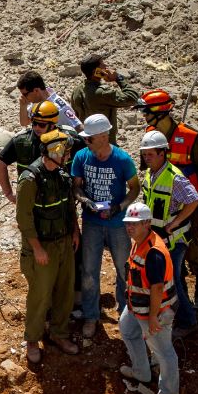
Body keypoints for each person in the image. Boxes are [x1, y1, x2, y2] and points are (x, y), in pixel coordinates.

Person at [138, 89, 198, 311]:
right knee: (170, 247)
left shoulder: (190, 136)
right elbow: (146, 168)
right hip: (164, 204)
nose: (144, 116)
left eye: (146, 112)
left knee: (194, 244)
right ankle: (180, 290)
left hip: (191, 201)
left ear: (160, 112)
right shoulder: (151, 135)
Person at [71, 114, 140, 337]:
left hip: (117, 224)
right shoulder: (81, 156)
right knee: (89, 271)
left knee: (123, 269)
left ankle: (126, 314)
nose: (86, 142)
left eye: (89, 138)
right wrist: (85, 201)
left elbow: (135, 188)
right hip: (91, 223)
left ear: (103, 136)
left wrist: (119, 208)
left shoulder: (122, 159)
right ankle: (91, 316)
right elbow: (76, 186)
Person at [16, 129, 80, 363]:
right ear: (54, 152)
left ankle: (58, 333)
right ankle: (32, 339)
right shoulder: (30, 180)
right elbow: (23, 218)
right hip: (42, 246)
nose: (68, 155)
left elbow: (69, 207)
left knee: (65, 291)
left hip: (64, 242)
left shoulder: (62, 175)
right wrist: (37, 248)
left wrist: (75, 231)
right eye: (65, 151)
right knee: (40, 295)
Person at [137, 130, 198, 337]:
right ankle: (180, 313)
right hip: (159, 239)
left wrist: (176, 222)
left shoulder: (174, 178)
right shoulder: (151, 174)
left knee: (169, 280)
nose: (147, 158)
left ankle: (187, 321)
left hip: (175, 240)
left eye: (150, 154)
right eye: (144, 154)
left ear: (162, 153)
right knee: (173, 279)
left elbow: (194, 199)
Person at [118, 204, 180, 394]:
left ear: (147, 223)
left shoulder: (154, 253)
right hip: (137, 306)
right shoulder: (139, 242)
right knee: (127, 329)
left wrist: (153, 317)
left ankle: (169, 392)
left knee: (163, 352)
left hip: (156, 311)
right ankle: (141, 372)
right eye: (128, 223)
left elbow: (157, 288)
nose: (129, 227)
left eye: (134, 224)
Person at [0, 100, 62, 205]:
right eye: (34, 123)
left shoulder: (65, 140)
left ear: (52, 125)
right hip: (30, 203)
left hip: (59, 203)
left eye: (42, 125)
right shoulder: (21, 141)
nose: (36, 127)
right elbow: (0, 164)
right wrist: (9, 193)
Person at [69, 55, 140, 143]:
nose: (106, 66)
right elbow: (133, 97)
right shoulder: (102, 92)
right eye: (102, 65)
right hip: (105, 142)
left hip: (86, 142)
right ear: (96, 71)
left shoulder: (77, 90)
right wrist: (118, 78)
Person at [16, 70, 81, 131]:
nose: (23, 97)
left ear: (36, 90)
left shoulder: (59, 108)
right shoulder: (37, 101)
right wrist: (23, 106)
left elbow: (79, 128)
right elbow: (24, 122)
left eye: (25, 94)